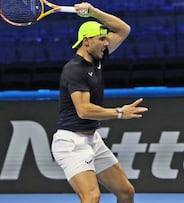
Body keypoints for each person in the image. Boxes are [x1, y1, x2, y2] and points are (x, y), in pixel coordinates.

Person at [51, 2, 148, 203]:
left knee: (125, 192)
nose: (106, 43)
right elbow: (84, 110)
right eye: (102, 39)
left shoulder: (97, 58)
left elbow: (123, 29)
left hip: (92, 140)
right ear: (86, 42)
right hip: (71, 143)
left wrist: (93, 12)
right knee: (92, 197)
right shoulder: (74, 70)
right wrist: (120, 112)